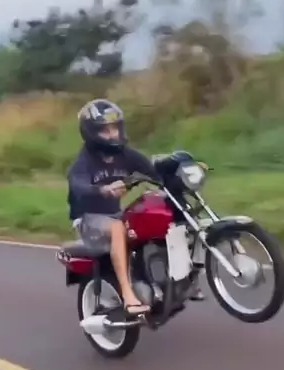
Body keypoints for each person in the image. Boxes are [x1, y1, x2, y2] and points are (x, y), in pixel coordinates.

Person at [67, 97, 205, 315]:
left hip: (115, 214)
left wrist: (177, 172)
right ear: (91, 133)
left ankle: (182, 281)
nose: (113, 134)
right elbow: (78, 186)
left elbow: (152, 171)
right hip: (88, 220)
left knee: (159, 215)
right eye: (106, 130)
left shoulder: (125, 154)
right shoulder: (83, 162)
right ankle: (128, 295)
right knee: (117, 228)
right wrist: (103, 190)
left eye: (115, 128)